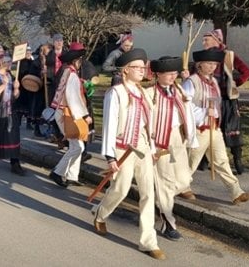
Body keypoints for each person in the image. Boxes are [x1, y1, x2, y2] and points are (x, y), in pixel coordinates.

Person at [92, 48, 166, 260]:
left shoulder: (143, 93)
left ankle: (148, 241)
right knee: (121, 189)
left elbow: (147, 125)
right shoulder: (115, 93)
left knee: (148, 193)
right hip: (121, 147)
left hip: (142, 148)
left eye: (144, 67)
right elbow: (109, 124)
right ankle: (100, 213)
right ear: (125, 70)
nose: (142, 71)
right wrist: (110, 157)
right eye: (137, 67)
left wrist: (152, 149)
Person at [180, 49, 249, 205]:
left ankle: (236, 192)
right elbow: (184, 106)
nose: (212, 67)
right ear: (200, 65)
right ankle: (181, 186)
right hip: (199, 129)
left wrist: (215, 113)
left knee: (222, 161)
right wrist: (202, 111)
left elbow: (218, 102)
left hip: (214, 129)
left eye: (214, 64)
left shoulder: (214, 82)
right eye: (209, 63)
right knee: (191, 162)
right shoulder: (191, 82)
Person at [145, 56, 197, 241]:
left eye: (174, 73)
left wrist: (191, 138)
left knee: (183, 179)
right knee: (165, 181)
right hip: (159, 140)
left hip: (178, 137)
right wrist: (151, 147)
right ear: (158, 74)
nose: (171, 76)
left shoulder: (179, 89)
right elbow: (146, 121)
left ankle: (157, 197)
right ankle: (168, 222)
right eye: (168, 73)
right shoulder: (150, 93)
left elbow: (188, 112)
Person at [202, 29, 249, 174]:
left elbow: (247, 72)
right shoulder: (203, 57)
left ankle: (237, 161)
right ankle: (205, 160)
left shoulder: (228, 55)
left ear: (216, 40)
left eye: (206, 39)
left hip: (227, 99)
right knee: (210, 127)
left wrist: (233, 83)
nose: (203, 42)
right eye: (203, 39)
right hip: (211, 98)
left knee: (231, 129)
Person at [48, 42, 92, 187]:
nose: (81, 63)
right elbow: (74, 98)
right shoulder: (71, 74)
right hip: (66, 113)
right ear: (76, 61)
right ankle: (57, 172)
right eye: (80, 60)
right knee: (77, 147)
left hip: (63, 111)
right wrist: (85, 115)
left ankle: (72, 175)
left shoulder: (66, 71)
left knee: (77, 146)